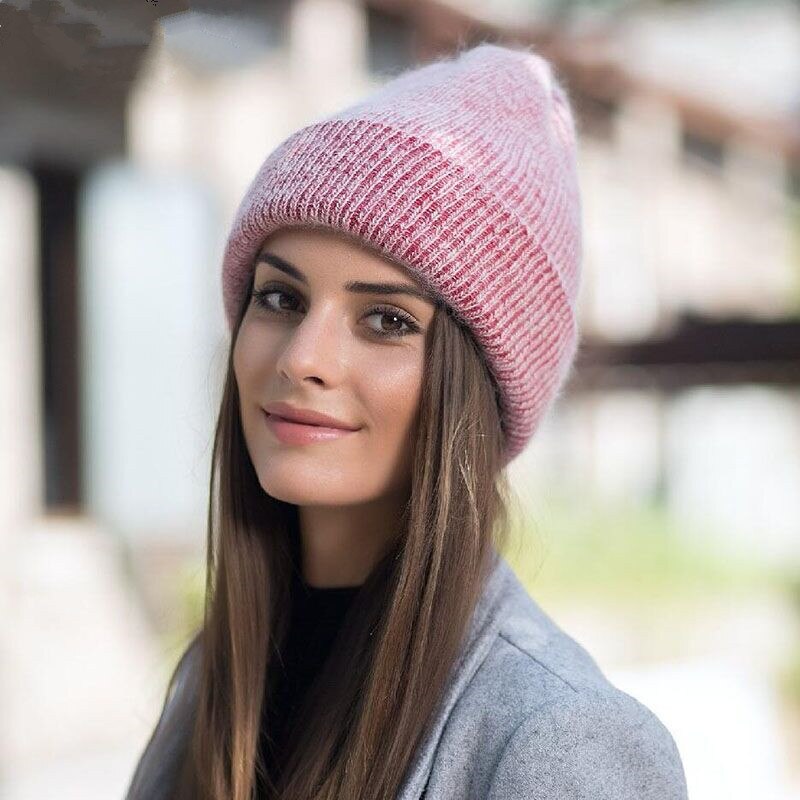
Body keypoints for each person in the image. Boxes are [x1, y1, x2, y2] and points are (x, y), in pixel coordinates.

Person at [124, 41, 689, 800]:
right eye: (282, 299)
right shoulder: (218, 678)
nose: (302, 359)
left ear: (476, 389)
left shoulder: (561, 739)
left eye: (386, 319)